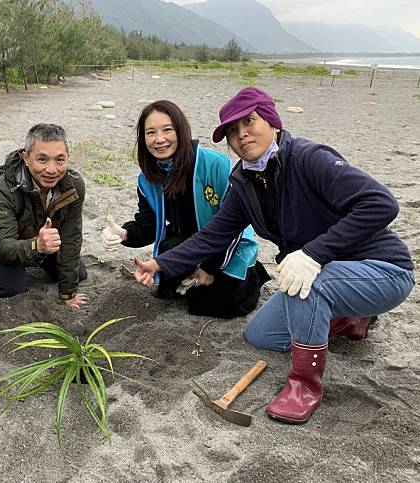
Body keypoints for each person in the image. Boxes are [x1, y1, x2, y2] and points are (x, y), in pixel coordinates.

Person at [132, 87, 415, 424]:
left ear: (273, 121)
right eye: (233, 131)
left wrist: (313, 254)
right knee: (260, 335)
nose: (242, 135)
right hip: (328, 276)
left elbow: (381, 203)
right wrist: (161, 263)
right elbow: (213, 236)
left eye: (249, 122)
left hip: (382, 270)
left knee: (304, 282)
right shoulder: (244, 182)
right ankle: (349, 318)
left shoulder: (308, 158)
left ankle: (304, 386)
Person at [102, 100, 269, 318]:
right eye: (151, 133)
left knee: (213, 305)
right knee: (170, 275)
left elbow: (233, 230)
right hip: (183, 249)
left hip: (225, 248)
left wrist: (208, 269)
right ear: (143, 139)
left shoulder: (217, 165)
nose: (159, 139)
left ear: (181, 131)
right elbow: (149, 225)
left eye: (167, 130)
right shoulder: (148, 178)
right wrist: (124, 234)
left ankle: (251, 275)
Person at [0, 123, 87, 309]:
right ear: (26, 158)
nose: (52, 170)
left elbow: (71, 238)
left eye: (60, 160)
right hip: (8, 241)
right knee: (9, 287)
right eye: (42, 160)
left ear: (68, 158)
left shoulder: (74, 185)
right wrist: (37, 245)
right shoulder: (3, 189)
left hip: (42, 241)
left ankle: (39, 254)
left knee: (79, 274)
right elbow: (4, 247)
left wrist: (68, 293)